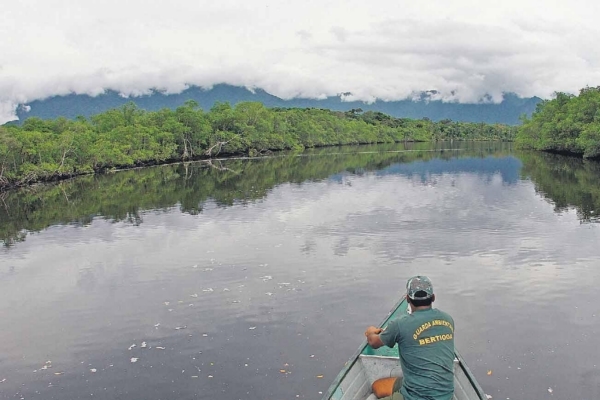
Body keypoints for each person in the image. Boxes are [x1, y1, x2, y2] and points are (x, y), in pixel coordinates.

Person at [364, 276, 455, 400]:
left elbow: (373, 342)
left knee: (376, 388)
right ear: (433, 297)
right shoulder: (448, 320)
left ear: (407, 299)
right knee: (378, 387)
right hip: (446, 395)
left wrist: (370, 332)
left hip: (414, 397)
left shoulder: (400, 324)